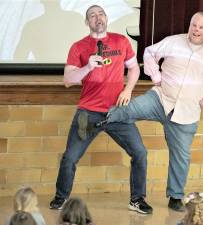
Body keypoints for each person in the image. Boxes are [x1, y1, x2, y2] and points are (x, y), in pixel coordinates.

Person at [97, 11, 203, 212]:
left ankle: (175, 197)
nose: (196, 30)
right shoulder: (173, 41)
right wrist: (156, 76)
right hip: (161, 99)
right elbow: (149, 52)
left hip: (187, 113)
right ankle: (98, 120)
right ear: (190, 25)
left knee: (181, 157)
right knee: (128, 109)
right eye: (193, 25)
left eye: (201, 27)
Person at [49, 4, 152, 214]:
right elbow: (68, 80)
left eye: (101, 14)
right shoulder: (78, 47)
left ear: (106, 18)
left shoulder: (121, 41)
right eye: (92, 15)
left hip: (118, 111)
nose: (98, 17)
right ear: (87, 22)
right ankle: (61, 197)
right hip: (88, 112)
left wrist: (128, 90)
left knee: (140, 152)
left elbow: (133, 68)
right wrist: (87, 67)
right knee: (70, 158)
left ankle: (137, 199)